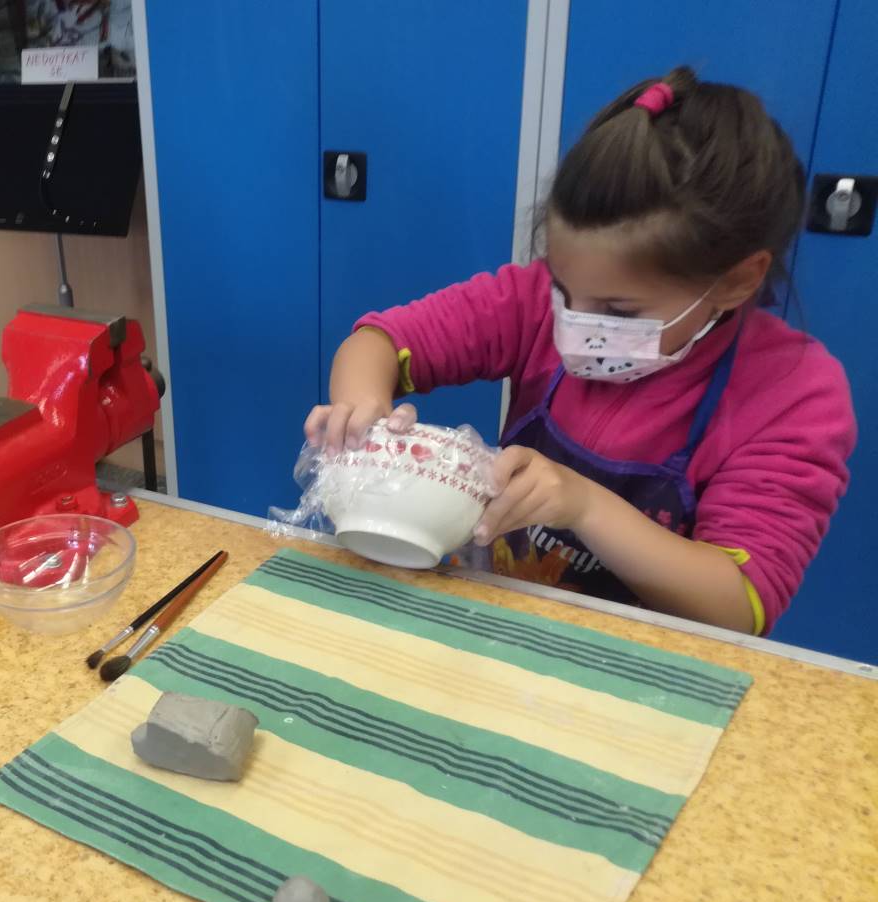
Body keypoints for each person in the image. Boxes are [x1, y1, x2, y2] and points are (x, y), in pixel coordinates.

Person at [306, 67, 855, 635]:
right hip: (498, 625)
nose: (574, 322)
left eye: (618, 311)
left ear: (738, 281)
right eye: (563, 290)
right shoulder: (531, 306)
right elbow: (380, 341)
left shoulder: (793, 394)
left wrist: (583, 506)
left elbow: (739, 605)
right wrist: (361, 409)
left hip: (643, 664)